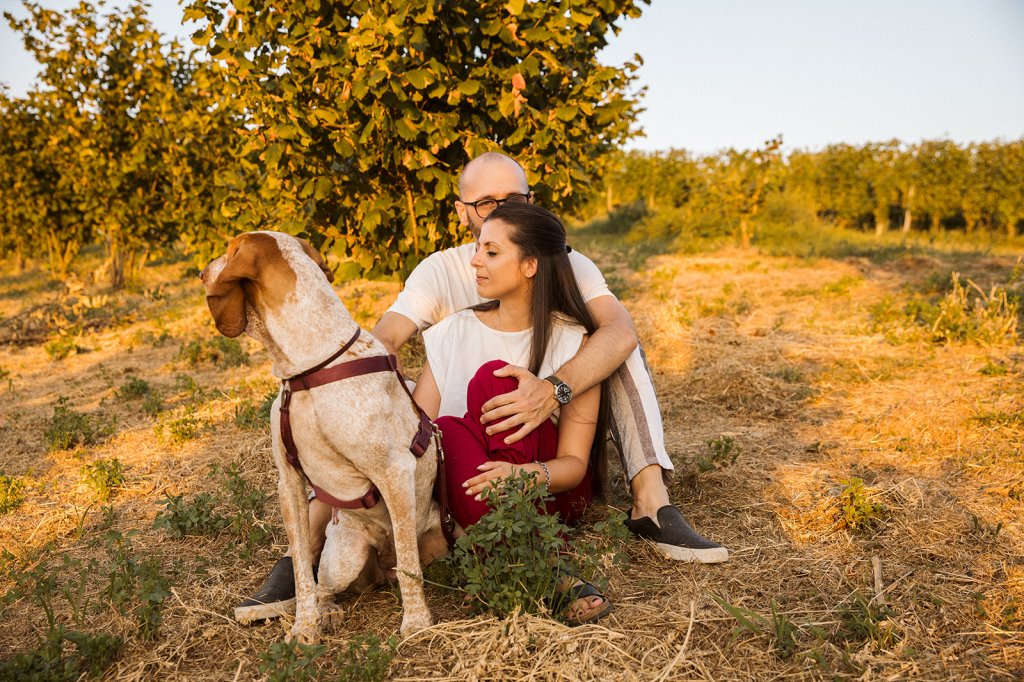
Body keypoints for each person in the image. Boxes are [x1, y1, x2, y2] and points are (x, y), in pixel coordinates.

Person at [234, 152, 728, 624]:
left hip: (543, 456)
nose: (504, 210)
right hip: (463, 459)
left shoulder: (567, 270)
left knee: (606, 350)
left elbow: (617, 336)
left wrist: (552, 390)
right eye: (488, 204)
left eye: (517, 198)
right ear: (463, 213)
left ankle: (649, 502)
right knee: (417, 409)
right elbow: (384, 352)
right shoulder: (445, 279)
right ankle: (315, 538)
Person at [413, 201, 612, 622]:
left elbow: (575, 466)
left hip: (551, 490)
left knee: (494, 379)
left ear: (529, 265)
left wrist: (518, 477)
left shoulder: (575, 343)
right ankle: (532, 564)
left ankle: (518, 558)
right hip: (474, 486)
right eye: (478, 249)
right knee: (445, 427)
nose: (475, 261)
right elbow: (416, 441)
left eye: (491, 251)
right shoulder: (451, 332)